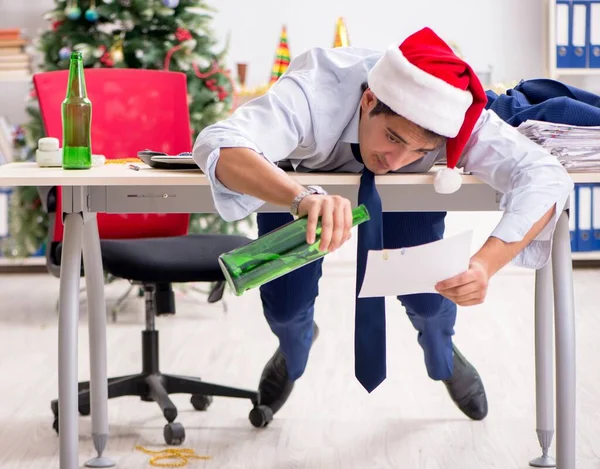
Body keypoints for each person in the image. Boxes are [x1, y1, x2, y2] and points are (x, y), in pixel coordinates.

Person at [192, 27, 574, 424]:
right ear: (368, 100)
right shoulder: (313, 91)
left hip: (403, 201)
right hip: (297, 190)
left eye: (421, 151)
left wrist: (486, 264)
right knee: (285, 307)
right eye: (392, 138)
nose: (397, 159)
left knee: (429, 301)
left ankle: (442, 353)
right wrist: (299, 197)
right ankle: (293, 348)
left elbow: (545, 176)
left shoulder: (458, 119)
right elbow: (219, 142)